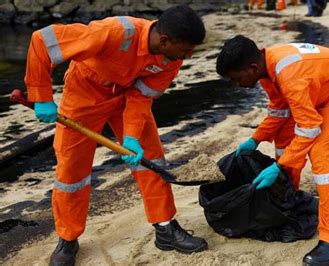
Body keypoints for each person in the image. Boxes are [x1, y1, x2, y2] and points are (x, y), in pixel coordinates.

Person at [25, 5, 208, 265]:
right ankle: (68, 239)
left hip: (125, 99)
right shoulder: (114, 32)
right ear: (165, 40)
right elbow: (43, 40)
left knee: (152, 160)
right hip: (84, 95)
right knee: (71, 172)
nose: (188, 56)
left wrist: (131, 136)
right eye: (186, 49)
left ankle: (165, 227)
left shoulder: (171, 61)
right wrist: (41, 96)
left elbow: (141, 96)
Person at [216, 36, 329, 265]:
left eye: (236, 78)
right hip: (321, 90)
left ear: (251, 68)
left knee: (321, 152)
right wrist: (255, 139)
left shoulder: (289, 75)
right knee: (282, 137)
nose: (237, 85)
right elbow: (279, 111)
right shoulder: (266, 67)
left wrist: (279, 167)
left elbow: (310, 128)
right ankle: (288, 200)